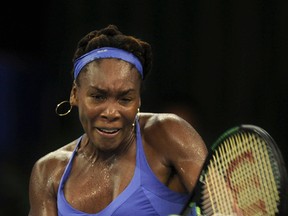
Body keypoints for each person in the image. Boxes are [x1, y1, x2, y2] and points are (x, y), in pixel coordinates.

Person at [28, 24, 208, 216]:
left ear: (138, 100)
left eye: (125, 99)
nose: (112, 112)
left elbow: (226, 206)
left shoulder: (167, 133)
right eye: (98, 96)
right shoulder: (48, 172)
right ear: (75, 95)